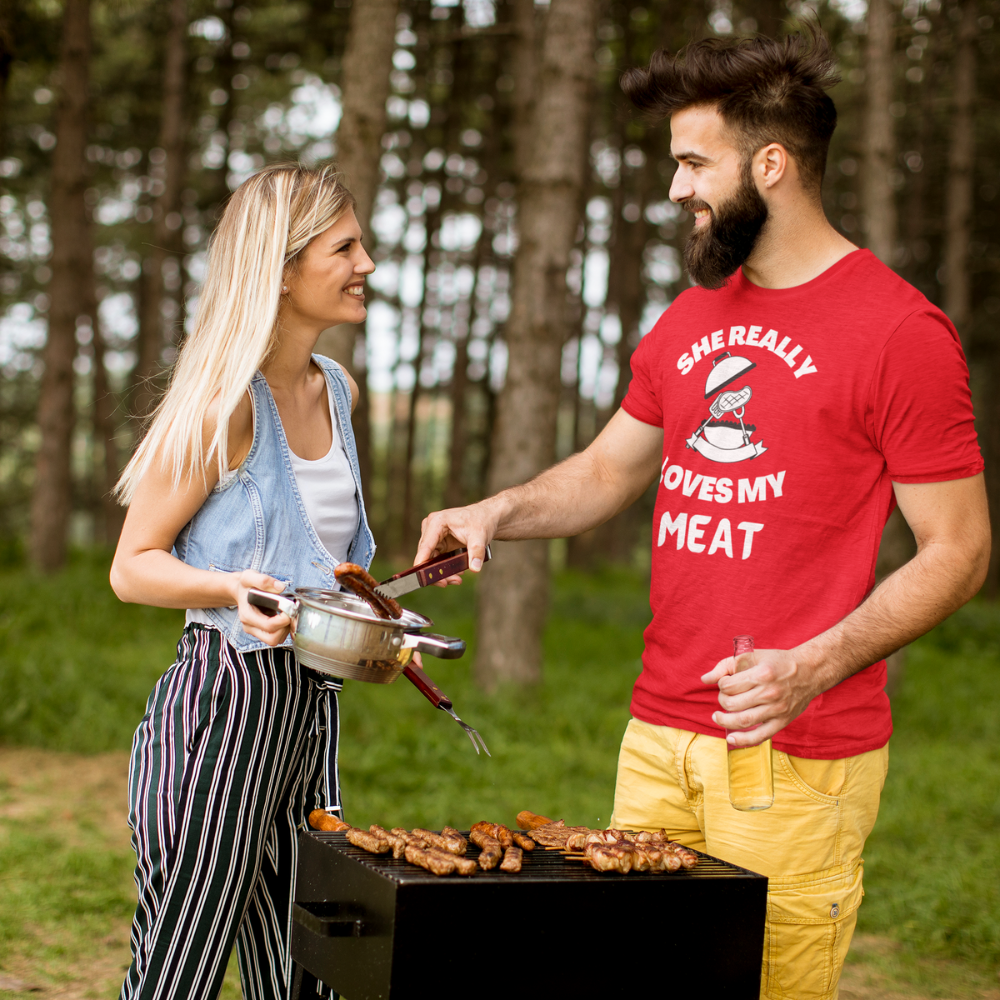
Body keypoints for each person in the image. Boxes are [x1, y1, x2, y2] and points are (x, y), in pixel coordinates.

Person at [413, 29, 990, 1000]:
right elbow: (606, 471)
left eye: (692, 163)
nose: (676, 188)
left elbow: (960, 551)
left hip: (796, 753)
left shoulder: (900, 331)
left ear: (771, 165)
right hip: (656, 734)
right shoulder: (692, 317)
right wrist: (494, 510)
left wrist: (814, 664)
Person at [110, 163, 374, 1000]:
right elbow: (132, 565)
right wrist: (229, 591)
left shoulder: (338, 390)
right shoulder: (222, 406)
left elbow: (319, 555)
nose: (366, 264)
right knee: (179, 972)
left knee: (306, 972)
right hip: (221, 710)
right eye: (345, 248)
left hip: (309, 714)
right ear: (284, 270)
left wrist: (373, 619)